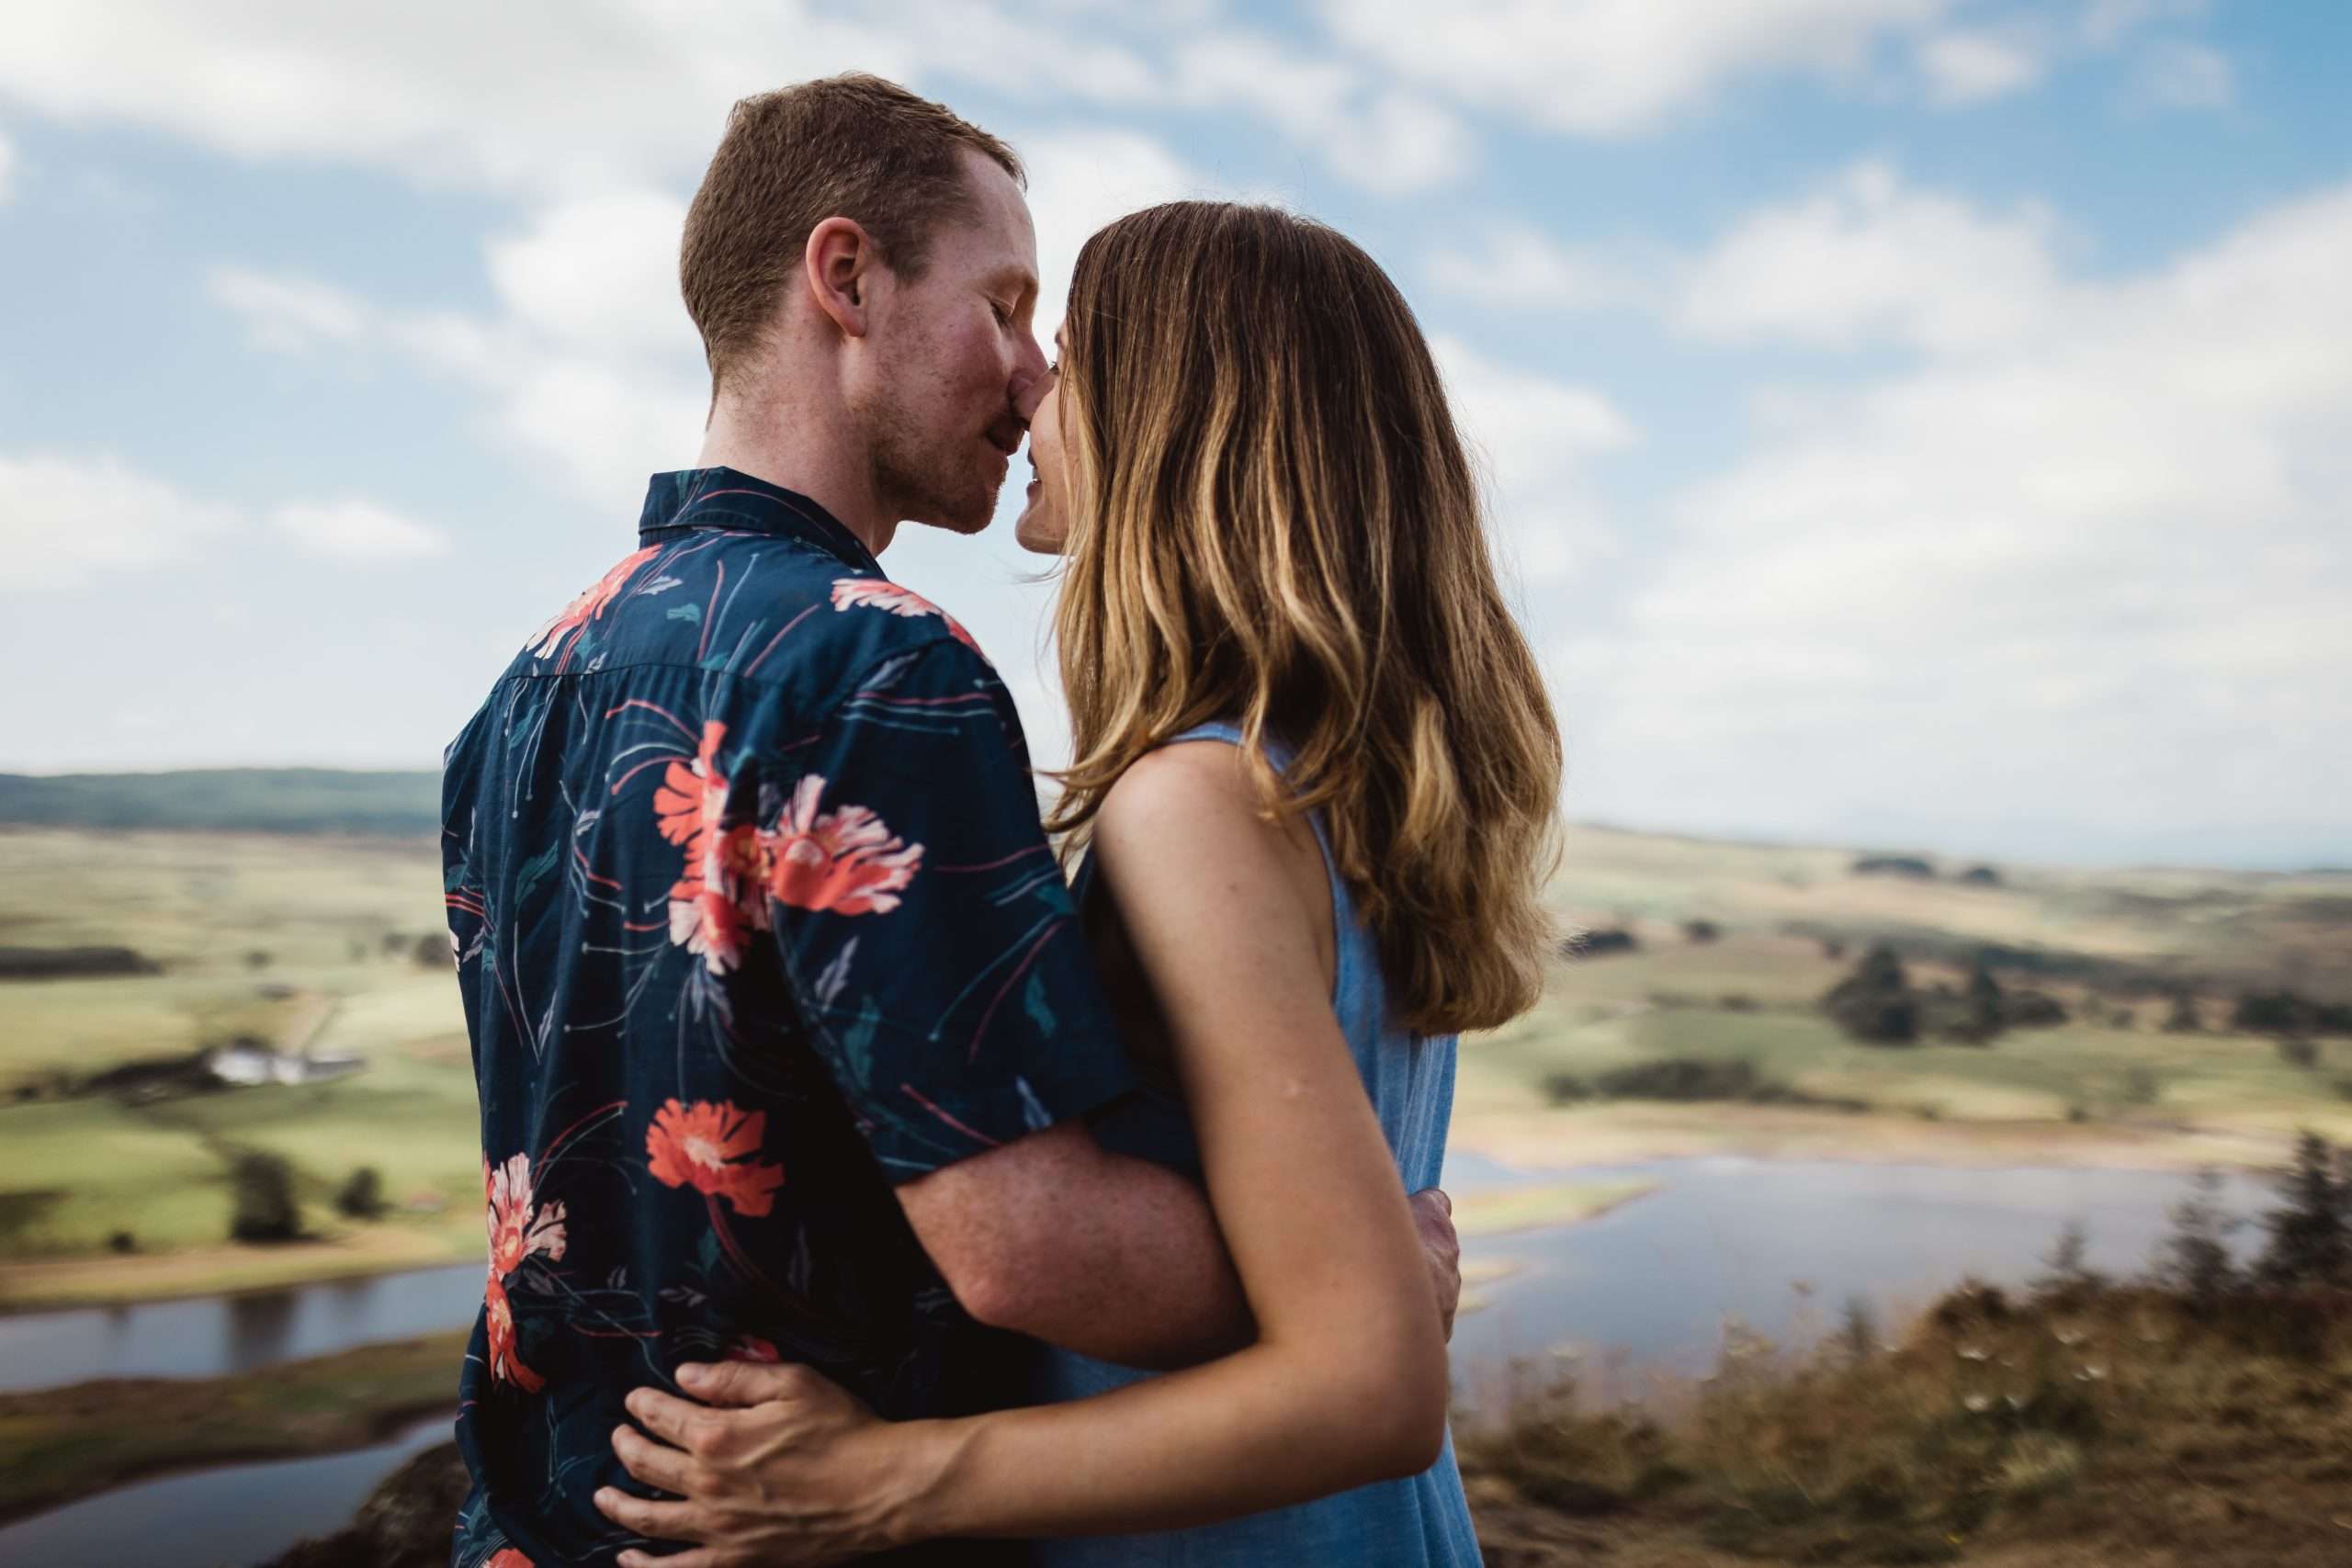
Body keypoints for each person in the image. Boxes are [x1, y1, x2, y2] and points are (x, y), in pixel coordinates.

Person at [439, 80, 1462, 1568]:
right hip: (789, 1525)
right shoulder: (875, 660)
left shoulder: (527, 687)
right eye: (1004, 305)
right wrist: (1369, 1287)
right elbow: (1031, 1248)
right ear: (845, 280)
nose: (1033, 373)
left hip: (559, 1517)